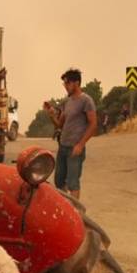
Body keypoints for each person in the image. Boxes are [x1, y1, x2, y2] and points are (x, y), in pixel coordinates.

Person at [44, 68, 97, 199]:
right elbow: (60, 125)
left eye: (67, 83)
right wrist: (51, 115)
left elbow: (93, 124)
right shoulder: (67, 102)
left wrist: (80, 145)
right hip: (63, 147)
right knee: (59, 182)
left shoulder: (86, 100)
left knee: (73, 183)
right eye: (64, 84)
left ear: (77, 83)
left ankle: (75, 212)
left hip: (75, 148)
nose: (65, 86)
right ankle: (65, 208)